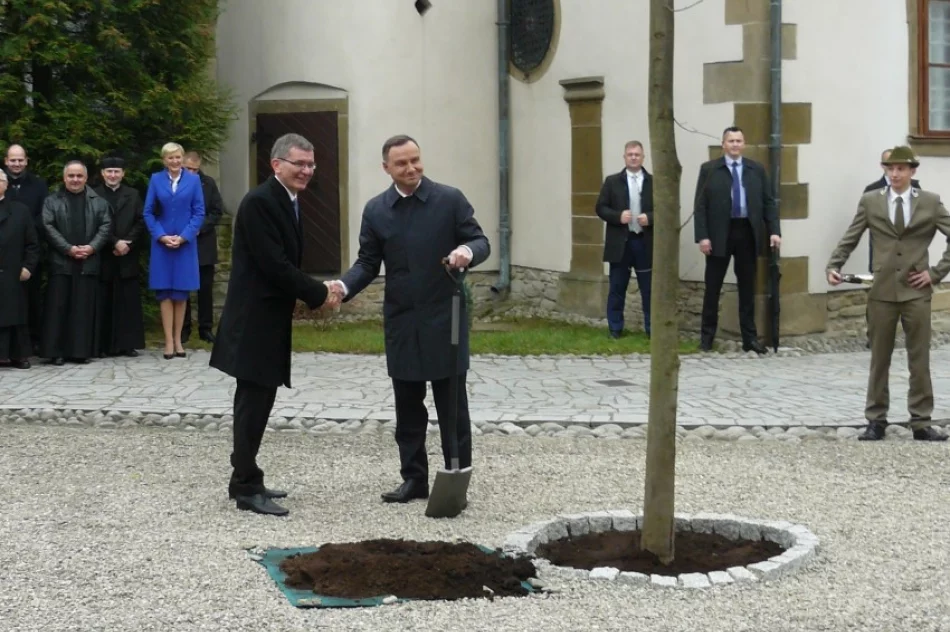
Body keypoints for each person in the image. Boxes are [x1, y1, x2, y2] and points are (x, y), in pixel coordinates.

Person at [330, 134, 490, 505]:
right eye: (402, 163)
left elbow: (480, 240)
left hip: (445, 317)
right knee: (407, 407)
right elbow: (368, 263)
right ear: (386, 168)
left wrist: (466, 250)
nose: (412, 168)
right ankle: (413, 478)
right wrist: (342, 285)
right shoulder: (376, 210)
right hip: (402, 321)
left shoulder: (449, 199)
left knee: (452, 407)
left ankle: (455, 479)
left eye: (416, 159)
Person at [210, 133, 339, 517]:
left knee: (261, 401)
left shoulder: (288, 199)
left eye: (311, 164)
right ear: (276, 164)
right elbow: (274, 265)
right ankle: (245, 486)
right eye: (299, 163)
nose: (306, 171)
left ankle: (249, 476)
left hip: (269, 319)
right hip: (253, 321)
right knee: (252, 403)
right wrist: (319, 293)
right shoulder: (260, 202)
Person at [827, 146, 949, 442]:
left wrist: (935, 273)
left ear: (912, 171)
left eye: (900, 169)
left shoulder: (930, 203)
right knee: (879, 358)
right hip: (881, 291)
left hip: (916, 291)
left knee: (918, 358)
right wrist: (835, 264)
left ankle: (921, 422)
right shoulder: (871, 201)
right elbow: (852, 235)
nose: (894, 174)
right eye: (889, 168)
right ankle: (875, 420)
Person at [694, 126, 781, 353]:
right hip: (719, 234)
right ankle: (706, 338)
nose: (735, 144)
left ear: (744, 144)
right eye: (730, 141)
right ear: (723, 144)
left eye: (738, 141)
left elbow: (769, 202)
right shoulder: (710, 170)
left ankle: (749, 339)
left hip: (747, 233)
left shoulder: (756, 169)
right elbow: (700, 206)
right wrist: (702, 236)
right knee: (712, 288)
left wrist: (774, 230)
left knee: (747, 288)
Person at [39, 161, 112, 365]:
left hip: (88, 262)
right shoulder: (51, 201)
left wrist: (92, 247)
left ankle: (80, 351)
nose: (75, 180)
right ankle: (57, 352)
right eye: (71, 176)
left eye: (79, 176)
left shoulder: (98, 202)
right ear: (64, 178)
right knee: (58, 308)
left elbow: (105, 226)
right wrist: (68, 249)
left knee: (83, 309)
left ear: (86, 178)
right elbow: (48, 226)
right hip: (61, 262)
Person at [143, 142, 205, 360]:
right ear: (164, 160)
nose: (175, 161)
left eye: (178, 157)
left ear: (182, 158)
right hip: (162, 243)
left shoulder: (194, 180)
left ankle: (179, 340)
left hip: (185, 244)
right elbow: (148, 212)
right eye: (171, 158)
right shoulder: (156, 180)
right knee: (165, 293)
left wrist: (184, 236)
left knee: (180, 292)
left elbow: (199, 212)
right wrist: (160, 235)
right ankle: (168, 341)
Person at [595, 140, 653, 339]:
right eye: (630, 154)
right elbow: (600, 208)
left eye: (637, 154)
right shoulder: (612, 182)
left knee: (649, 289)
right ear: (625, 157)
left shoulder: (653, 182)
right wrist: (618, 216)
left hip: (644, 241)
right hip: (621, 241)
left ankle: (652, 329)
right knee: (617, 287)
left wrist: (650, 218)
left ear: (643, 157)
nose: (634, 157)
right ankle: (615, 328)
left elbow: (666, 209)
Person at [93, 156, 145, 357]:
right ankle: (103, 345)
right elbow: (95, 223)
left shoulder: (133, 194)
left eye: (117, 171)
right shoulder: (95, 195)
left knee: (127, 301)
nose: (113, 175)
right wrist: (114, 242)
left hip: (127, 255)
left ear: (123, 174)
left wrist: (127, 242)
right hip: (105, 253)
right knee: (104, 299)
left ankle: (127, 344)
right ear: (102, 174)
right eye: (109, 171)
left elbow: (141, 221)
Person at [3, 144, 49, 353]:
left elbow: (44, 214)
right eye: (13, 160)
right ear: (6, 161)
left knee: (31, 298)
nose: (17, 164)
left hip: (32, 248)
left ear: (26, 161)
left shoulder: (39, 185)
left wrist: (27, 229)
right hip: (5, 253)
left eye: (20, 160)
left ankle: (33, 341)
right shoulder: (1, 183)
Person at [181, 151, 224, 344]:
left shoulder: (208, 184)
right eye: (187, 168)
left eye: (194, 169)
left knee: (205, 289)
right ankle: (183, 329)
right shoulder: (175, 183)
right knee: (183, 289)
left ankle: (205, 329)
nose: (191, 172)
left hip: (203, 242)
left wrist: (200, 228)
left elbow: (217, 211)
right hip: (181, 242)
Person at [0, 170, 39, 369]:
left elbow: (32, 244)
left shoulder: (20, 211)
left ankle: (17, 355)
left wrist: (28, 267)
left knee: (14, 314)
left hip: (13, 272)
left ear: (6, 185)